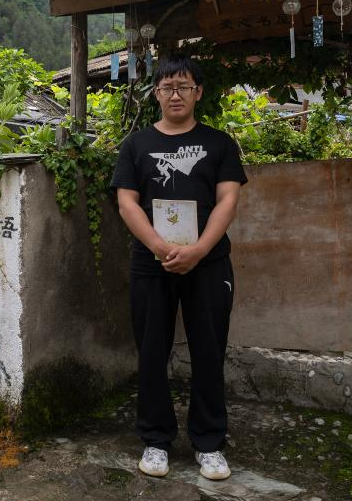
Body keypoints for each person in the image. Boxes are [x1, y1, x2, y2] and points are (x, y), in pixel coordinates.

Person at [110, 54, 247, 481]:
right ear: (156, 93)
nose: (175, 94)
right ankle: (155, 440)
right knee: (152, 351)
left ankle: (209, 444)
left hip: (209, 263)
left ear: (198, 92)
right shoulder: (136, 145)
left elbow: (227, 199)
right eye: (167, 86)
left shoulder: (220, 143)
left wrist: (200, 250)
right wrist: (160, 246)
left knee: (210, 350)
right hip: (152, 265)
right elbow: (126, 202)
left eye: (183, 86)